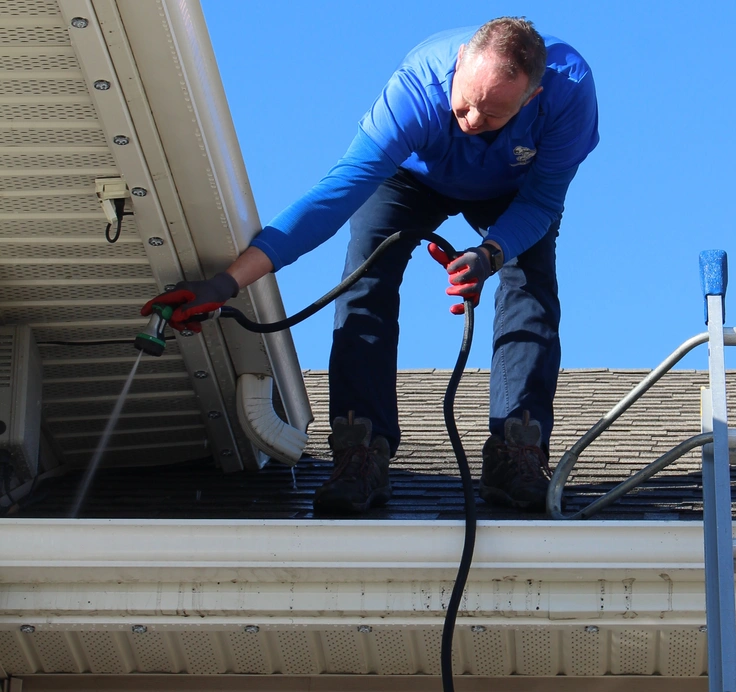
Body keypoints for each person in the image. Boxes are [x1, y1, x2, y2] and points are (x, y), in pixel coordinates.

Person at [142, 18, 599, 513]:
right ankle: (361, 452)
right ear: (460, 61)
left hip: (514, 191)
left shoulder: (569, 92)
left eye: (491, 116)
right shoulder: (417, 91)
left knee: (530, 281)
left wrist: (489, 255)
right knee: (365, 277)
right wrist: (224, 282)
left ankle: (517, 452)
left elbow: (541, 204)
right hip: (410, 179)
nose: (469, 121)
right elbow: (331, 201)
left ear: (530, 99)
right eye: (464, 102)